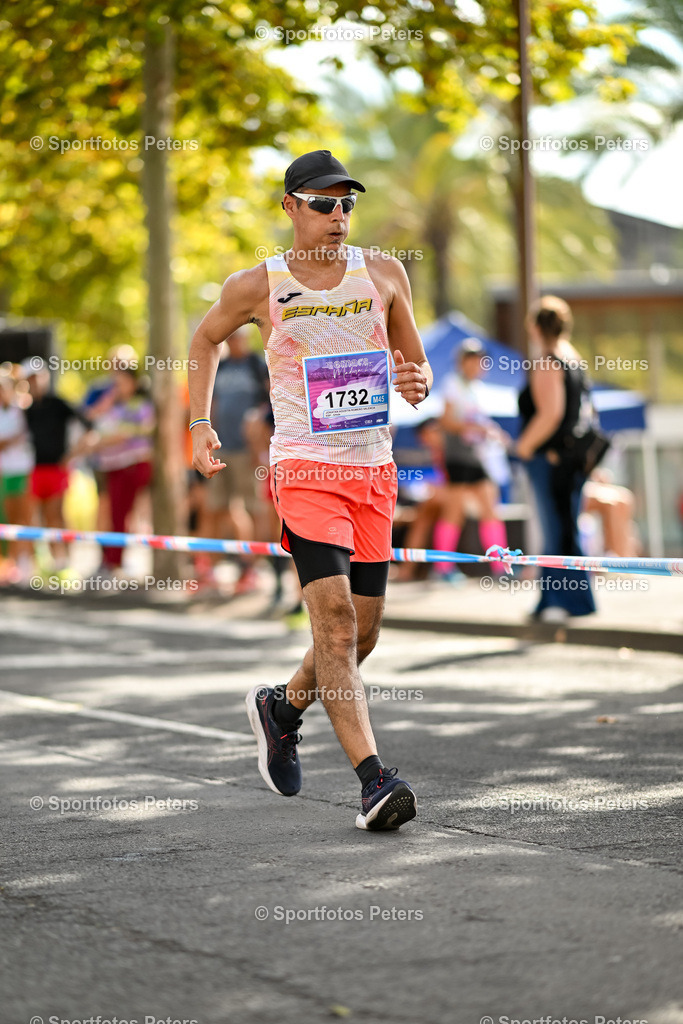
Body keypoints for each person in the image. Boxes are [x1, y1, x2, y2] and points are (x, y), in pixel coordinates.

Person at [189, 149, 432, 831]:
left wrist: (416, 382)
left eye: (346, 204)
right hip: (302, 469)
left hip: (373, 472)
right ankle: (373, 781)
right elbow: (204, 340)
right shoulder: (256, 284)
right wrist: (199, 422)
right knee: (333, 622)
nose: (337, 216)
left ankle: (282, 707)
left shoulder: (383, 273)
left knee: (364, 632)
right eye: (322, 204)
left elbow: (414, 364)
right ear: (291, 206)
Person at [516, 296, 596, 622]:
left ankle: (566, 601)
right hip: (571, 457)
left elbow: (551, 414)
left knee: (556, 530)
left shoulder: (548, 362)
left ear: (536, 327)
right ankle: (553, 600)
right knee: (562, 527)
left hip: (551, 459)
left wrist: (523, 446)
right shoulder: (573, 357)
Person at [436, 338, 510, 577]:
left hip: (477, 458)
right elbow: (445, 422)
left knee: (490, 508)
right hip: (458, 457)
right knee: (453, 512)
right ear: (462, 362)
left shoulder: (477, 389)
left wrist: (492, 432)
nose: (478, 365)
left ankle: (500, 566)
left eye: (480, 361)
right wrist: (476, 429)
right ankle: (443, 568)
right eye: (473, 360)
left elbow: (477, 423)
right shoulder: (452, 384)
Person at [203, 327, 269, 595]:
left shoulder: (257, 365)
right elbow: (214, 403)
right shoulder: (222, 366)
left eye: (238, 338)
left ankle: (249, 567)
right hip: (222, 447)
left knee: (252, 507)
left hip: (248, 450)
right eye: (229, 338)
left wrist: (259, 443)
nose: (234, 342)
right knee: (216, 508)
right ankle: (210, 568)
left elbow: (271, 399)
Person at [23, 359, 92, 567]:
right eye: (31, 378)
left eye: (38, 377)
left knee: (55, 514)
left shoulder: (58, 404)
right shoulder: (27, 409)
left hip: (57, 469)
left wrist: (72, 455)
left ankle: (66, 561)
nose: (35, 382)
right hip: (36, 469)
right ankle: (53, 562)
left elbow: (88, 426)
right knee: (40, 517)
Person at [88, 366, 155, 573]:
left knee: (121, 515)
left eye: (121, 382)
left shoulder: (140, 406)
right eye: (114, 383)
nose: (116, 387)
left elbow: (125, 435)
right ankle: (113, 560)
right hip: (114, 467)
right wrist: (107, 401)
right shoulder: (114, 406)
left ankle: (115, 562)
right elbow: (91, 418)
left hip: (132, 466)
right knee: (115, 515)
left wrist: (97, 444)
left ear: (134, 383)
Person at [0, 371, 35, 583]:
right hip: (5, 471)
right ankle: (8, 563)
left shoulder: (21, 412)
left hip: (21, 470)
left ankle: (25, 562)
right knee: (6, 516)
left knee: (23, 516)